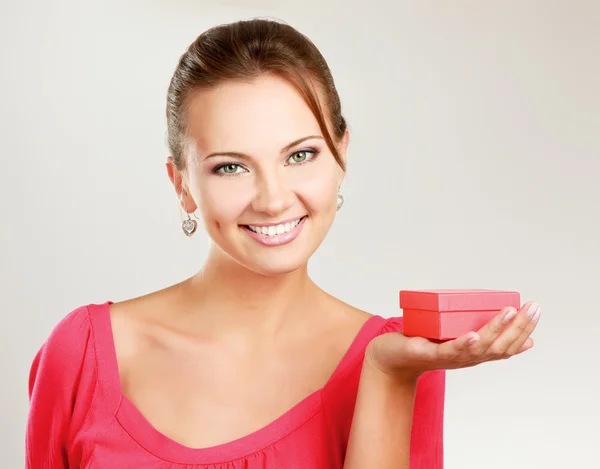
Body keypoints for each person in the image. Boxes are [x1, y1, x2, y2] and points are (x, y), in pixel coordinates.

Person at [25, 18, 541, 469]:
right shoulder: (85, 354)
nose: (273, 200)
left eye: (300, 155)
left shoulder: (400, 358)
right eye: (231, 166)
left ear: (341, 153)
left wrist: (386, 375)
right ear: (181, 183)